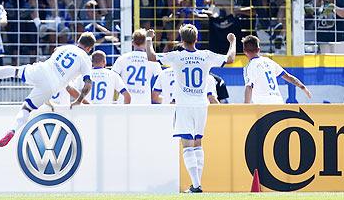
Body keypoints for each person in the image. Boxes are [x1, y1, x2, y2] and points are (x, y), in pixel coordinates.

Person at [146, 24, 237, 194]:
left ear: (181, 39)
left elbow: (151, 57)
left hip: (184, 104)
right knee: (197, 144)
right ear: (197, 39)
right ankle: (196, 184)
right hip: (201, 104)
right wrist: (232, 41)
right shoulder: (206, 55)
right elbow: (230, 59)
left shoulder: (176, 56)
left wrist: (149, 38)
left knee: (187, 145)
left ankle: (196, 186)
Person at [0, 32, 97, 147]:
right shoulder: (85, 59)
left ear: (78, 41)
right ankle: (12, 129)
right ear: (89, 49)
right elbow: (88, 84)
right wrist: (79, 101)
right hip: (52, 86)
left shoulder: (66, 47)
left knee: (14, 71)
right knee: (26, 108)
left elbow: (56, 50)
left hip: (42, 70)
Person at [242, 35, 312, 104]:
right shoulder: (269, 62)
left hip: (262, 103)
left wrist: (246, 108)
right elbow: (288, 77)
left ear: (244, 51)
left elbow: (249, 87)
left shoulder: (249, 66)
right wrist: (303, 87)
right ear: (258, 49)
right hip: (278, 101)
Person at [112, 28, 161, 104]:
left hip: (125, 101)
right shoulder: (152, 60)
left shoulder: (123, 58)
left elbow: (113, 76)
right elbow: (161, 77)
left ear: (132, 42)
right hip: (143, 101)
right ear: (145, 43)